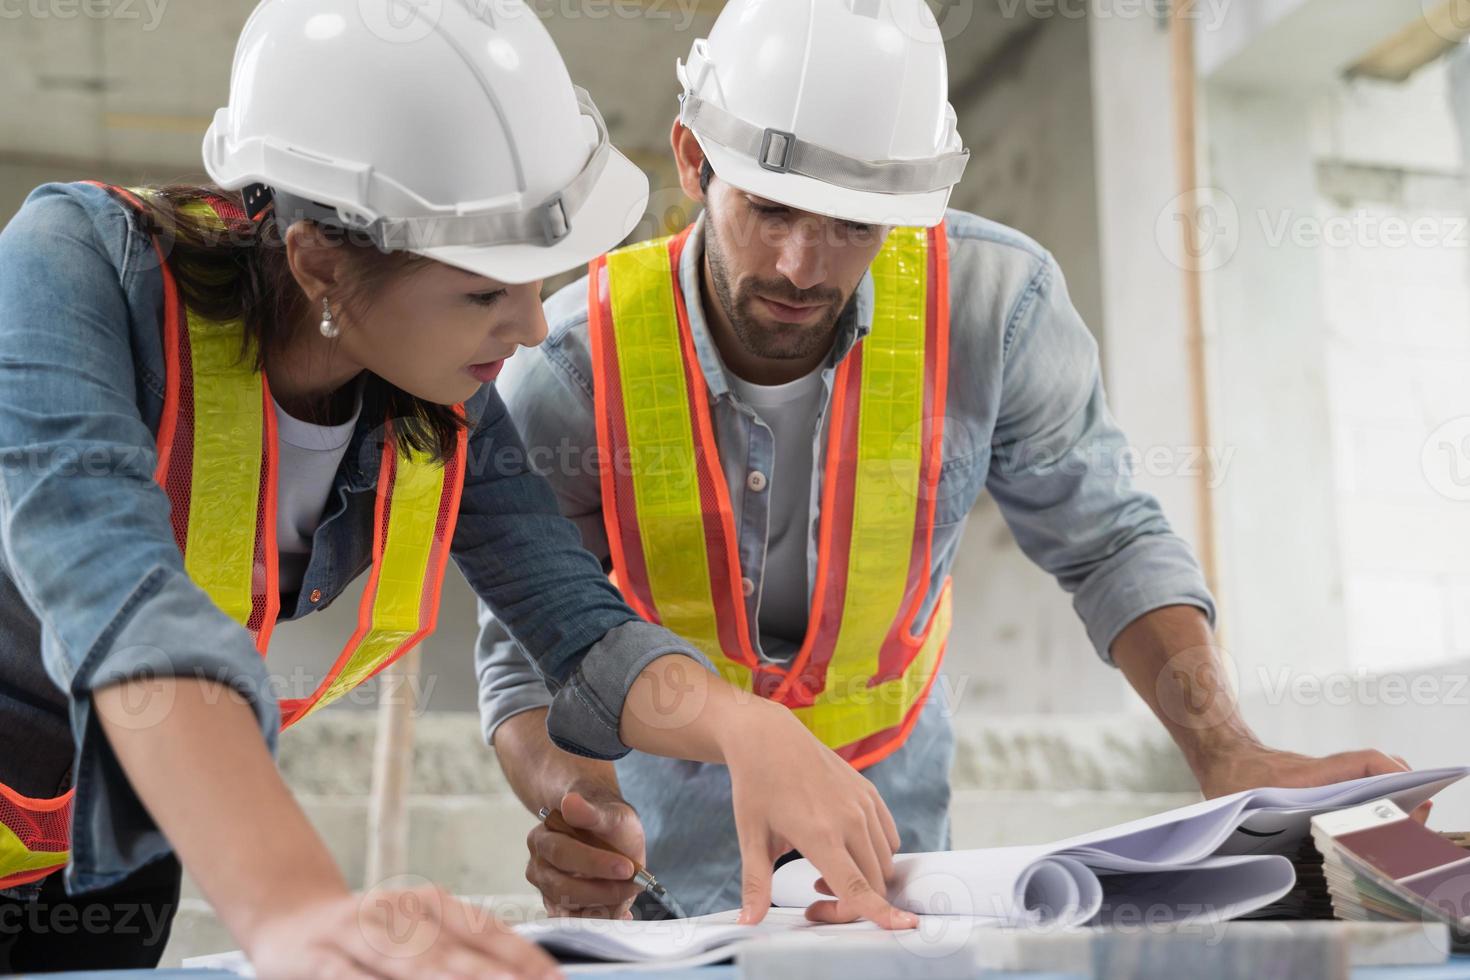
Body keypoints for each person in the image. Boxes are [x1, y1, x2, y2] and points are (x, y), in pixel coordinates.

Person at [0, 1, 918, 975]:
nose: (530, 328)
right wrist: (301, 910)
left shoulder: (431, 386)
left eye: (534, 282)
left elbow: (579, 624)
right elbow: (122, 600)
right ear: (320, 265)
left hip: (83, 861)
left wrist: (744, 723)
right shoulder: (69, 275)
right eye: (485, 290)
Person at [477, 0, 1428, 923]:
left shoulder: (994, 310)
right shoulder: (569, 364)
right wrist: (585, 813)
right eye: (771, 210)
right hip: (667, 836)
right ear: (693, 159)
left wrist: (1228, 751)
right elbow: (528, 664)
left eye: (853, 223)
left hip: (892, 824)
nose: (805, 265)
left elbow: (1108, 543)